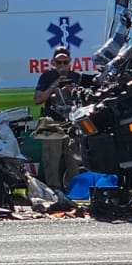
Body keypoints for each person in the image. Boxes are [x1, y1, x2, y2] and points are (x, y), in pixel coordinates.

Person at [33, 46, 83, 189]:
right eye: (58, 62)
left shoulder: (76, 77)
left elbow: (85, 101)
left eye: (65, 62)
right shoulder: (46, 77)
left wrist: (72, 90)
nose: (62, 66)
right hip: (52, 124)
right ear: (53, 62)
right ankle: (54, 192)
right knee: (51, 162)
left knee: (74, 162)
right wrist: (54, 85)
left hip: (71, 124)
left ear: (70, 62)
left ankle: (75, 192)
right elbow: (37, 100)